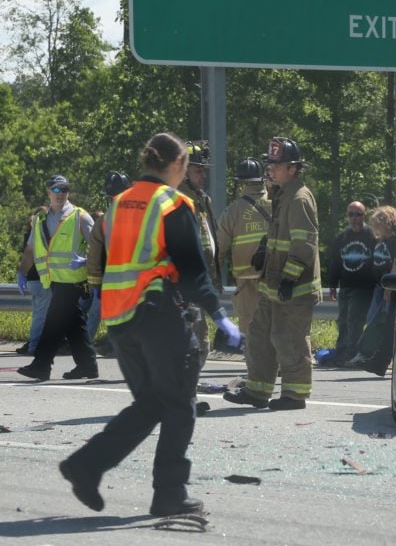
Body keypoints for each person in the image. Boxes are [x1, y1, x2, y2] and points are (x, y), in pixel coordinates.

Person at [57, 133, 241, 516]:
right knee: (179, 404)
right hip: (157, 315)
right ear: (176, 165)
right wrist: (220, 315)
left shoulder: (120, 204)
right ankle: (169, 493)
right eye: (187, 165)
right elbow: (193, 271)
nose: (186, 172)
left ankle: (87, 465)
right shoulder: (172, 203)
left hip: (120, 319)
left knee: (155, 402)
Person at [223, 137, 320, 411]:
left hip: (293, 288)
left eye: (277, 166)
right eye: (270, 165)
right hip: (271, 285)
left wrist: (289, 279)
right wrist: (264, 249)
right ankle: (257, 391)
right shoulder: (280, 193)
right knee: (260, 337)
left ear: (293, 168)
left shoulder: (300, 197)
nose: (271, 170)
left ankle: (294, 395)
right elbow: (280, 235)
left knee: (289, 340)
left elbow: (304, 244)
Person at [17, 175, 97, 381]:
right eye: (57, 189)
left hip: (76, 280)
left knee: (53, 321)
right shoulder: (40, 219)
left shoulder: (80, 216)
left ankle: (41, 366)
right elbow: (30, 249)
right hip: (54, 281)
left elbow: (99, 248)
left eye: (65, 189)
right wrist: (22, 271)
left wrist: (86, 260)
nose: (61, 193)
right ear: (49, 192)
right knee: (74, 323)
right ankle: (87, 365)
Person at [215, 157, 271, 342]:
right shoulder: (278, 204)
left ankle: (255, 368)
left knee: (249, 328)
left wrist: (213, 277)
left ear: (241, 184)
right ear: (263, 179)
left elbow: (219, 248)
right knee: (274, 324)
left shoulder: (232, 211)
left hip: (246, 280)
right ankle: (275, 366)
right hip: (274, 277)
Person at [178, 140, 220, 368]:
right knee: (192, 342)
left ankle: (185, 393)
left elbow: (209, 242)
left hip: (199, 282)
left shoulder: (202, 200)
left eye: (203, 170)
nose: (203, 175)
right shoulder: (175, 201)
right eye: (198, 170)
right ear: (183, 173)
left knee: (199, 342)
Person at [346, 205, 396, 373]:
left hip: (388, 288)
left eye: (378, 223)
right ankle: (369, 353)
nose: (375, 227)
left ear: (387, 223)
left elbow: (394, 265)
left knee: (383, 323)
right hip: (378, 287)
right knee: (372, 320)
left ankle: (381, 354)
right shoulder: (380, 241)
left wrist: (389, 287)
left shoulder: (394, 242)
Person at [83, 171, 133, 342]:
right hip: (127, 279)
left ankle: (89, 345)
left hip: (111, 279)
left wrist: (95, 281)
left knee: (102, 313)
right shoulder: (139, 217)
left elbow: (94, 253)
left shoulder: (106, 219)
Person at [325, 201, 375, 365]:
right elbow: (335, 262)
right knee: (343, 320)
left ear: (364, 215)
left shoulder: (371, 235)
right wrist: (332, 284)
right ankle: (341, 353)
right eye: (351, 214)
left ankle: (353, 354)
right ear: (347, 216)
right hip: (345, 285)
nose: (354, 218)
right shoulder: (342, 237)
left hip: (364, 286)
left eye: (358, 214)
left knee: (355, 320)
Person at [15, 208, 51, 356]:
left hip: (32, 279)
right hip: (42, 278)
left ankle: (36, 343)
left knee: (39, 313)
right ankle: (35, 346)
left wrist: (21, 273)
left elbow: (28, 254)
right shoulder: (42, 234)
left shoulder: (28, 235)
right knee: (42, 315)